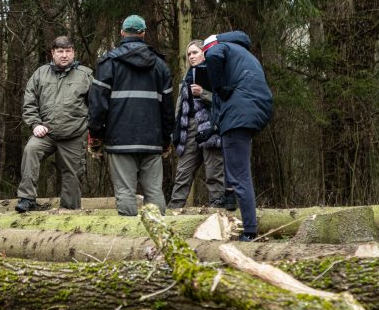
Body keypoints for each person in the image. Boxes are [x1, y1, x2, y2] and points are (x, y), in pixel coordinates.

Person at [88, 15, 174, 216]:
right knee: (154, 192)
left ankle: (130, 242)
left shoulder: (109, 63)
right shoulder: (160, 65)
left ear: (122, 33)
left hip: (119, 139)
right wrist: (166, 139)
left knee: (125, 191)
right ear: (143, 34)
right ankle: (161, 240)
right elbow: (168, 108)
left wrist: (96, 135)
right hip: (152, 140)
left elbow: (98, 106)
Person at [201, 31, 273, 241]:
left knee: (240, 174)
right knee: (235, 166)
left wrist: (218, 87)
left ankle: (250, 232)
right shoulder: (243, 55)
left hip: (239, 116)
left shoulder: (217, 48)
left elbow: (213, 58)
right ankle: (232, 200)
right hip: (252, 113)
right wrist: (214, 126)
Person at [15, 36, 93, 212]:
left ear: (73, 52)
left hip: (74, 133)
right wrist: (35, 124)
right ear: (53, 53)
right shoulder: (40, 74)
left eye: (68, 51)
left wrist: (89, 129)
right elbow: (29, 102)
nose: (64, 55)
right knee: (30, 150)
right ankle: (27, 199)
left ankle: (69, 210)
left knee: (72, 174)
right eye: (60, 51)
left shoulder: (86, 75)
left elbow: (96, 105)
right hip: (46, 132)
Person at [167, 40, 226, 209]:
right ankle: (173, 212)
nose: (191, 56)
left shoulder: (216, 72)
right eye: (189, 54)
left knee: (214, 173)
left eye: (195, 52)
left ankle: (218, 213)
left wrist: (204, 93)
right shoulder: (186, 77)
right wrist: (176, 131)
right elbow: (180, 109)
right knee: (183, 173)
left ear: (204, 53)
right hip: (189, 129)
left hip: (211, 128)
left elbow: (224, 102)